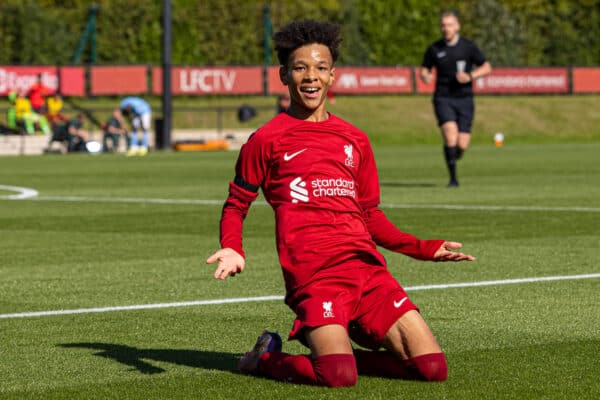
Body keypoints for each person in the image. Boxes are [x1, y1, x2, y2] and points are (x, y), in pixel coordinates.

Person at [206, 20, 475, 388]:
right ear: (284, 75)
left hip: (367, 272)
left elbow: (371, 217)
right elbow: (237, 204)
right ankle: (266, 357)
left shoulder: (355, 140)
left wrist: (425, 249)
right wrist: (232, 248)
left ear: (332, 75)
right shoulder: (266, 140)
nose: (310, 76)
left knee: (431, 368)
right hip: (316, 278)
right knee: (338, 377)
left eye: (320, 68)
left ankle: (341, 354)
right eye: (300, 68)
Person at [420, 10, 492, 187]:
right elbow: (424, 69)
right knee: (450, 134)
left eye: (450, 25)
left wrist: (470, 76)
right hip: (443, 98)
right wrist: (426, 76)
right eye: (443, 25)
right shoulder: (434, 49)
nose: (446, 28)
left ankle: (453, 154)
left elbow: (487, 66)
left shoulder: (468, 47)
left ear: (457, 26)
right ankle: (453, 179)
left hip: (465, 99)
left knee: (462, 144)